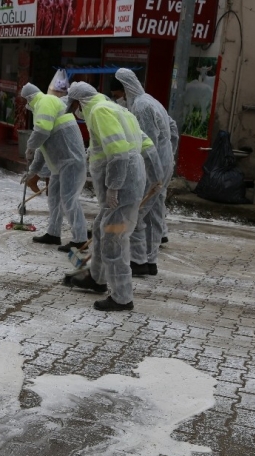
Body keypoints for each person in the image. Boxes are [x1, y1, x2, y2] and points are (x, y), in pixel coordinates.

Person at [66, 82, 146, 311]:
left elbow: (119, 153)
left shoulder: (100, 111)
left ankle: (122, 297)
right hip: (130, 181)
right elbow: (143, 141)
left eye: (74, 106)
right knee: (103, 228)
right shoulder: (114, 108)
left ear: (80, 102)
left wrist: (113, 187)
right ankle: (97, 278)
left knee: (113, 237)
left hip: (122, 187)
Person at [115, 68, 179, 276]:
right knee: (154, 211)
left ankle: (138, 260)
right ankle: (150, 260)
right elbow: (174, 129)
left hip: (153, 165)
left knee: (138, 210)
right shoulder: (151, 100)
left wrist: (144, 169)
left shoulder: (141, 108)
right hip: (165, 161)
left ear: (126, 87)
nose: (122, 95)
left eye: (121, 90)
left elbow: (146, 143)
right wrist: (170, 156)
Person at [20, 83, 88, 252]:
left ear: (29, 98)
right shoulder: (43, 108)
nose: (26, 105)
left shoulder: (45, 101)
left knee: (69, 200)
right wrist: (32, 171)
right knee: (55, 199)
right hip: (60, 164)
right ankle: (53, 233)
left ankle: (80, 239)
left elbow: (41, 132)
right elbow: (43, 146)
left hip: (71, 161)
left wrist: (30, 146)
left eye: (25, 101)